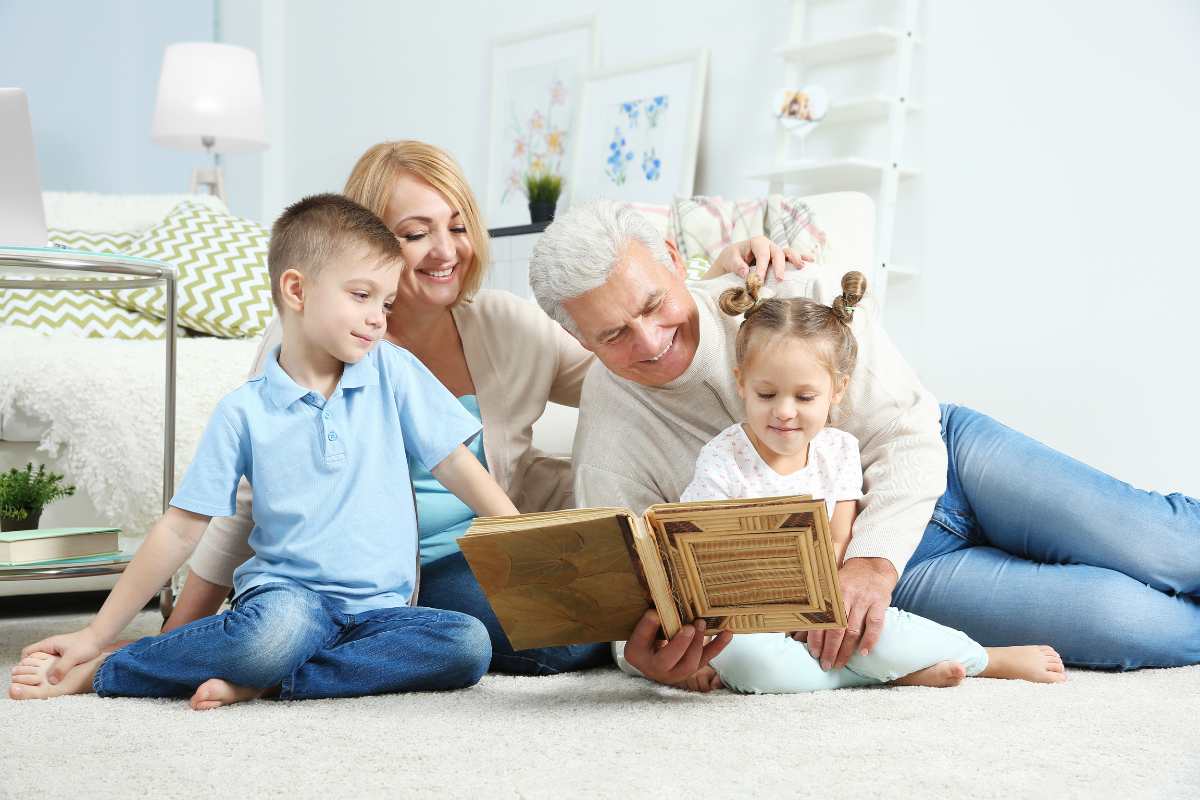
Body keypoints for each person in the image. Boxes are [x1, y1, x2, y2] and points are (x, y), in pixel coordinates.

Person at [526, 199, 1200, 690]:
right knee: (1126, 622)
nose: (648, 343)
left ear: (675, 261)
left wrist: (871, 562)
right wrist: (637, 655)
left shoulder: (793, 292)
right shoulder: (612, 429)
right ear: (581, 341)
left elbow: (907, 433)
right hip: (901, 575)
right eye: (611, 335)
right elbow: (625, 593)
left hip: (944, 464)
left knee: (1166, 548)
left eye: (651, 306)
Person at [153, 141, 762, 676]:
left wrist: (706, 292)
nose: (445, 251)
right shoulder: (311, 339)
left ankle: (308, 660)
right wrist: (185, 627)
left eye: (458, 226)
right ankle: (305, 644)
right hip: (353, 572)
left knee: (589, 631)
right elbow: (246, 496)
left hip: (472, 556)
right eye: (415, 233)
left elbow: (637, 366)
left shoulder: (506, 324)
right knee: (559, 638)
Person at [9, 194, 517, 707]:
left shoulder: (395, 371)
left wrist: (527, 539)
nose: (378, 319)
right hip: (287, 603)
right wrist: (95, 635)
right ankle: (113, 665)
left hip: (380, 613)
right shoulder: (243, 411)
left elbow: (455, 463)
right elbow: (182, 528)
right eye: (361, 295)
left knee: (466, 643)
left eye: (385, 303)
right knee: (270, 636)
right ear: (296, 290)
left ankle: (277, 680)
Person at [674, 270, 1064, 693]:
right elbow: (699, 549)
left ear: (837, 390)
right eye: (766, 395)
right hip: (751, 618)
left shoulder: (838, 450)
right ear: (741, 383)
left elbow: (841, 538)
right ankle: (884, 677)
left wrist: (818, 607)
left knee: (884, 632)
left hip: (823, 605)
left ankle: (985, 658)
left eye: (804, 397)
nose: (784, 411)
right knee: (745, 661)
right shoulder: (721, 457)